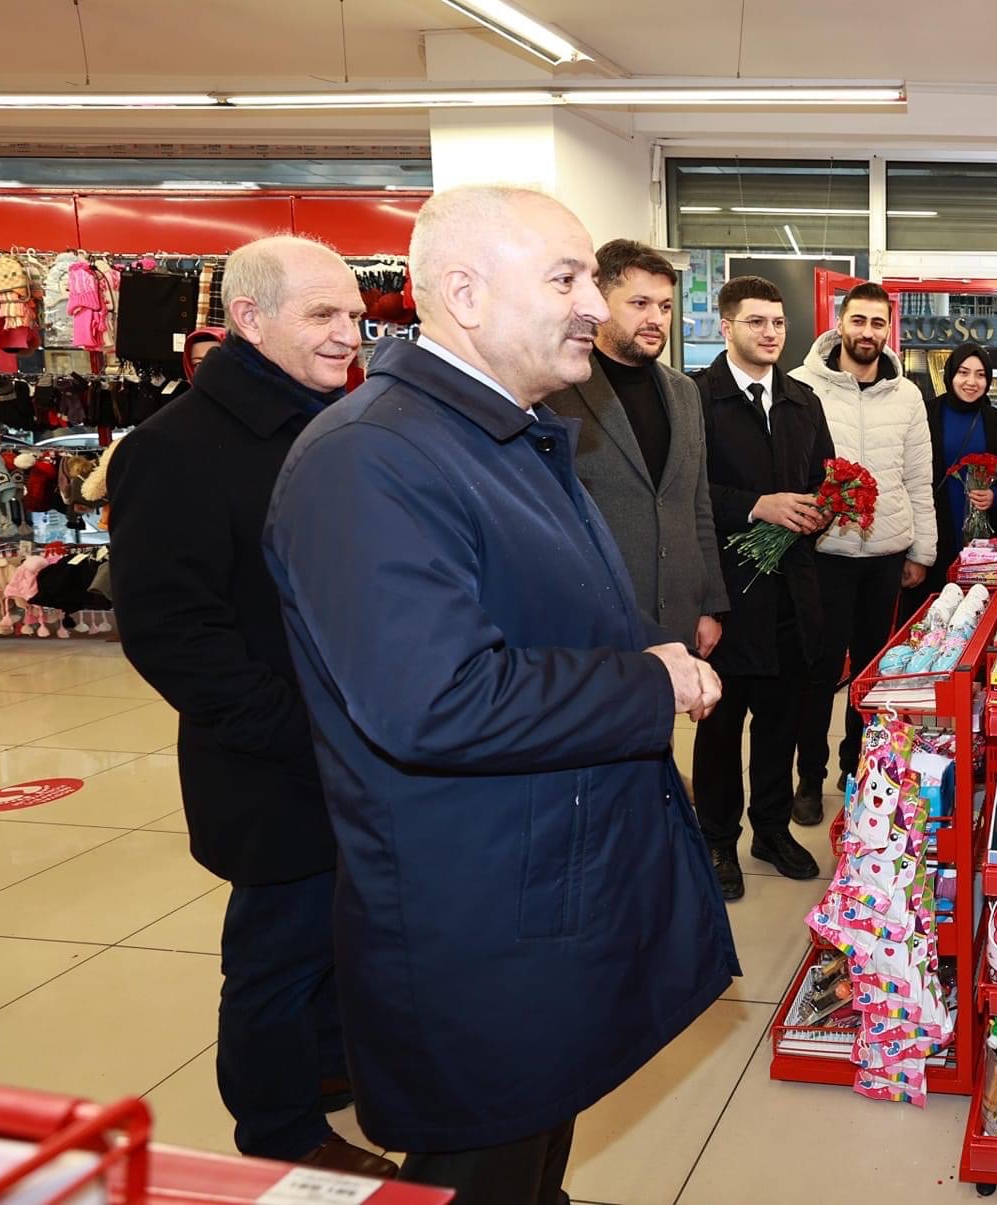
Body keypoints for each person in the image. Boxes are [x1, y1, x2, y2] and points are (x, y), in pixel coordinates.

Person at [264, 186, 736, 1205]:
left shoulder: (502, 431)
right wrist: (642, 678)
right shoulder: (370, 458)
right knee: (483, 1161)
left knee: (529, 1155)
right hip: (475, 912)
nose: (593, 308)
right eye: (565, 280)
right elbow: (431, 698)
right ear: (465, 296)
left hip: (540, 883)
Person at [109, 236, 392, 1178]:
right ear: (248, 320)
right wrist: (304, 733)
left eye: (354, 314)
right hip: (274, 765)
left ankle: (328, 1074)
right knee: (278, 955)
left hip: (363, 751)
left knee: (344, 937)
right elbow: (171, 632)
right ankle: (279, 1135)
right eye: (323, 315)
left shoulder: (342, 423)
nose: (349, 333)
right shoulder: (175, 448)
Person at [691, 276, 835, 898]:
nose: (770, 332)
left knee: (781, 722)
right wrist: (758, 506)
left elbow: (826, 478)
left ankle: (770, 829)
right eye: (756, 322)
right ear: (727, 327)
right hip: (728, 594)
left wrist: (826, 508)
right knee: (721, 727)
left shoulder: (804, 401)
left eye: (777, 322)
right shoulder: (696, 398)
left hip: (792, 593)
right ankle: (718, 840)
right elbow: (686, 496)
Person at [788, 282, 935, 822]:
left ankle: (859, 768)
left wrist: (923, 548)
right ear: (840, 323)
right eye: (859, 321)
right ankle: (810, 775)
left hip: (885, 554)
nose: (867, 332)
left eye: (878, 323)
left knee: (873, 671)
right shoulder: (802, 385)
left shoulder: (908, 395)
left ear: (887, 330)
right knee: (818, 669)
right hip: (823, 551)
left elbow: (919, 478)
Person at [545, 239, 727, 654]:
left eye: (664, 307)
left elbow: (696, 505)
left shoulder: (684, 392)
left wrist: (710, 605)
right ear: (601, 302)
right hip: (591, 619)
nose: (656, 319)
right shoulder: (558, 390)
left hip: (676, 615)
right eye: (640, 303)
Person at [922, 340, 997, 599]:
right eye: (963, 372)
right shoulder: (927, 415)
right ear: (950, 375)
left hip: (985, 546)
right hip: (935, 536)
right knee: (935, 606)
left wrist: (996, 496)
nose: (972, 382)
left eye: (980, 375)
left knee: (980, 606)